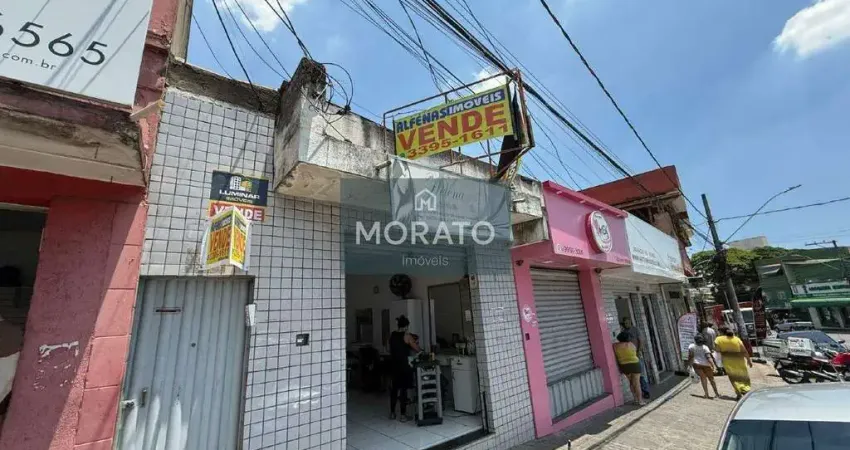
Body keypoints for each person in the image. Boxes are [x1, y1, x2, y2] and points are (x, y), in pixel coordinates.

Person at [388, 315, 420, 421]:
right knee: (403, 390)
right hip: (404, 366)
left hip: (393, 365)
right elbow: (416, 349)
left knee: (394, 390)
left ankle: (392, 413)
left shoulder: (392, 335)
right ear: (406, 326)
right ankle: (403, 415)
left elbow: (387, 348)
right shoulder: (407, 335)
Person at [714, 326, 752, 400]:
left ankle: (738, 394)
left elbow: (717, 350)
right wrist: (749, 360)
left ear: (721, 332)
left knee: (733, 377)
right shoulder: (736, 339)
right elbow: (744, 350)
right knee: (743, 375)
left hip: (728, 361)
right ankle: (746, 389)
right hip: (739, 360)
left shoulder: (718, 339)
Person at [620, 317, 651, 399]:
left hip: (637, 354)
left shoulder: (636, 330)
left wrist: (639, 351)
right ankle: (638, 394)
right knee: (634, 378)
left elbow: (641, 340)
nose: (627, 324)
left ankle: (646, 391)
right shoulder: (624, 332)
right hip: (630, 356)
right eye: (625, 323)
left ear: (630, 322)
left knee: (641, 374)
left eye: (628, 323)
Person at [613, 331, 645, 406]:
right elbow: (635, 352)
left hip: (624, 366)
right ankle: (640, 401)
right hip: (635, 365)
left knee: (631, 382)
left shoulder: (615, 346)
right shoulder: (631, 345)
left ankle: (635, 399)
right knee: (637, 383)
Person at [687, 334, 720, 399]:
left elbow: (690, 357)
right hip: (706, 365)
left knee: (703, 378)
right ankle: (716, 394)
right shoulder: (705, 347)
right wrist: (713, 366)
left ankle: (706, 394)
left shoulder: (691, 347)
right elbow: (708, 357)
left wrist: (689, 365)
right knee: (711, 379)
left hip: (696, 364)